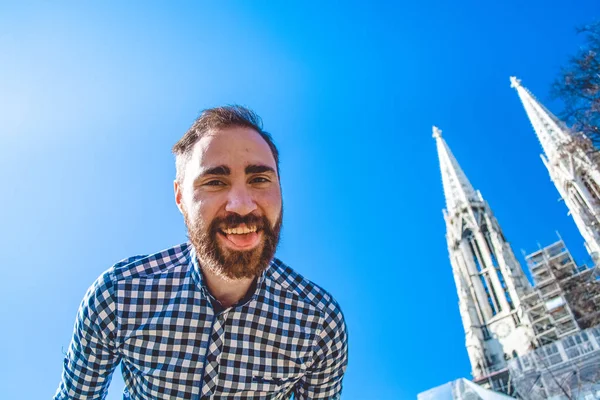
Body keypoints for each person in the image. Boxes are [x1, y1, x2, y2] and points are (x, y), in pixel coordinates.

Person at [54, 106, 348, 399]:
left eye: (259, 179)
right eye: (215, 182)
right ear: (180, 197)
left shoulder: (319, 323)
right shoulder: (118, 296)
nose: (242, 205)